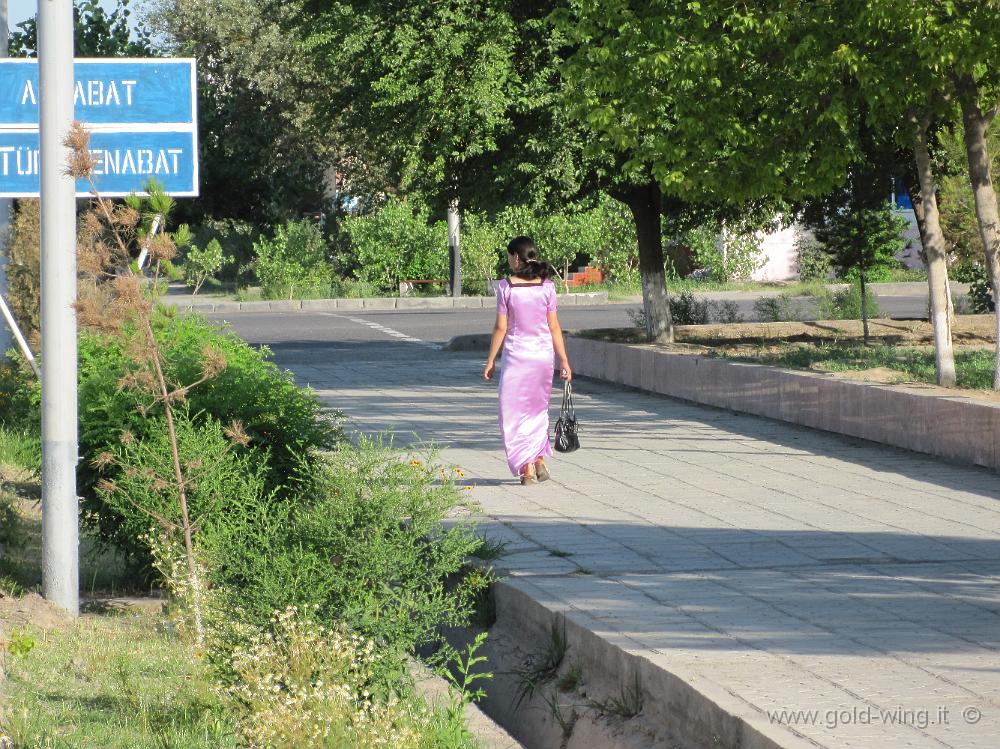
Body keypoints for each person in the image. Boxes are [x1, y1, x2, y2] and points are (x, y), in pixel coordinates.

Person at [483, 236, 572, 485]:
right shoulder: (547, 286)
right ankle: (539, 459)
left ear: (516, 258)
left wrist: (490, 360)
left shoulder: (506, 287)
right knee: (536, 411)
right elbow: (554, 327)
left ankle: (527, 468)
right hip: (543, 358)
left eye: (509, 255)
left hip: (517, 357)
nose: (508, 260)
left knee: (512, 414)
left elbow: (501, 328)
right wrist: (564, 361)